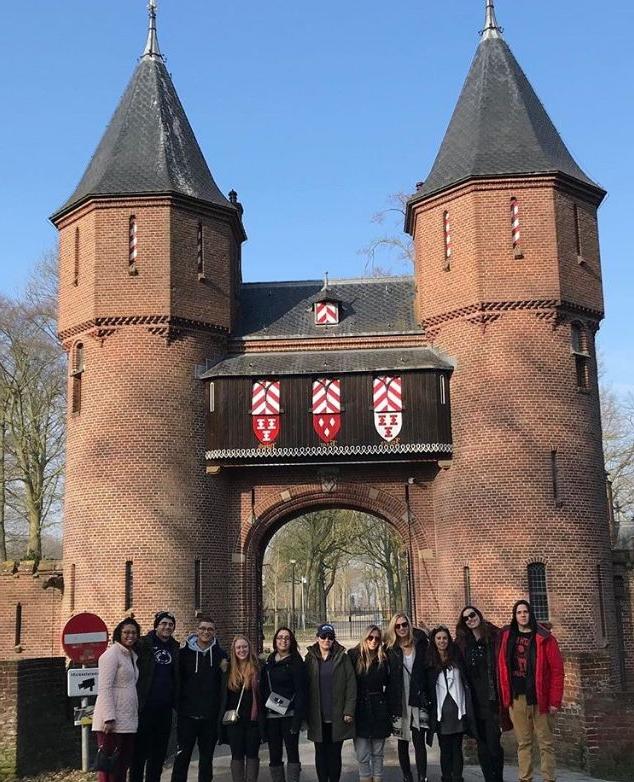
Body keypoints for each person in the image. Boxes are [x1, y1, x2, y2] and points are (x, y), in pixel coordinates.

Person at [497, 600, 564, 782]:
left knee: (546, 743)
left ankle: (549, 779)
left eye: (525, 611)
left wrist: (554, 701)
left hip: (540, 698)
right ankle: (525, 778)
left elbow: (557, 671)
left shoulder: (545, 638)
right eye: (519, 612)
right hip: (517, 698)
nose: (522, 615)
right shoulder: (507, 636)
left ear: (530, 614)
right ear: (515, 615)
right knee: (524, 743)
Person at [171, 616, 227, 782]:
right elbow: (176, 681)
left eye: (210, 629)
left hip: (209, 717)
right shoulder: (183, 654)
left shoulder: (220, 655)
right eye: (203, 628)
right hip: (187, 716)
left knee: (206, 759)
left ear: (214, 632)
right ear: (197, 630)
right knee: (182, 757)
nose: (206, 632)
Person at [455, 606, 504, 782]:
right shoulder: (462, 643)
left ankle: (497, 778)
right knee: (481, 745)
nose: (470, 619)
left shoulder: (493, 637)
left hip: (491, 699)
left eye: (472, 615)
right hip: (473, 701)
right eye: (466, 618)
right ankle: (488, 779)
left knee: (493, 744)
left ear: (478, 615)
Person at [131, 611, 181, 782]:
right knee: (139, 754)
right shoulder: (143, 644)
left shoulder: (175, 647)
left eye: (170, 624)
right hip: (144, 708)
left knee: (158, 755)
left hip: (165, 708)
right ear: (156, 626)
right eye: (164, 624)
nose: (167, 627)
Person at [305, 623, 356, 782]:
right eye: (323, 637)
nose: (327, 640)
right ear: (317, 638)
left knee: (335, 754)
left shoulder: (343, 658)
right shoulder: (310, 659)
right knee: (320, 753)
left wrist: (349, 710)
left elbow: (351, 684)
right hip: (317, 716)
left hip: (337, 715)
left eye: (330, 637)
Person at [92, 617, 141, 782]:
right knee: (110, 767)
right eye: (126, 632)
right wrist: (108, 717)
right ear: (119, 634)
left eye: (134, 632)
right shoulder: (111, 655)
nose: (130, 636)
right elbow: (104, 687)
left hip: (127, 720)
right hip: (112, 722)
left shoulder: (131, 656)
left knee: (122, 766)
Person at [425, 626, 474, 782]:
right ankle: (446, 777)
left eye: (444, 638)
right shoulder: (430, 662)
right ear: (434, 641)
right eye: (438, 638)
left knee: (456, 748)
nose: (442, 641)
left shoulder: (457, 658)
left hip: (457, 710)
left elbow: (466, 679)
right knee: (445, 749)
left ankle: (458, 777)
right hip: (441, 713)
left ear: (449, 640)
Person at [384, 613, 429, 782]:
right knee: (403, 741)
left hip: (418, 698)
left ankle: (422, 776)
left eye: (404, 625)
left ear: (409, 625)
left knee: (419, 741)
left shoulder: (421, 643)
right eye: (398, 626)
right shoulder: (390, 648)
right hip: (399, 698)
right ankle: (407, 776)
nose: (402, 628)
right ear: (393, 629)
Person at [348, 625, 393, 782]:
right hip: (360, 708)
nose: (374, 641)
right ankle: (365, 778)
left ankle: (378, 778)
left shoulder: (384, 658)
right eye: (370, 637)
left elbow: (390, 682)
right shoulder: (353, 656)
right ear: (365, 638)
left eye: (377, 638)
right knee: (362, 753)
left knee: (378, 752)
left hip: (379, 707)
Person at [261, 627, 306, 782]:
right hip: (271, 715)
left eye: (287, 638)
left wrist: (298, 719)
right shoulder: (269, 662)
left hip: (290, 714)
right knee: (274, 754)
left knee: (292, 752)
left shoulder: (296, 663)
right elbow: (264, 688)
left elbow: (301, 691)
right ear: (275, 641)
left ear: (291, 641)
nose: (283, 640)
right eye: (280, 637)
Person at [219, 635, 264, 782]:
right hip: (234, 721)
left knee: (252, 754)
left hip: (253, 720)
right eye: (238, 647)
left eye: (244, 647)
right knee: (236, 755)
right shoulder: (227, 668)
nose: (242, 650)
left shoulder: (258, 667)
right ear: (234, 650)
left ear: (249, 648)